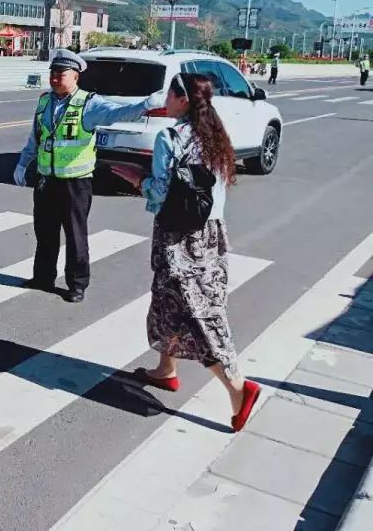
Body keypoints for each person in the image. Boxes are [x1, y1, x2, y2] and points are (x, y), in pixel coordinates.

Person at [111, 73, 261, 432]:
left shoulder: (170, 137)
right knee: (169, 301)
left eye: (170, 94)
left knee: (196, 311)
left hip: (180, 237)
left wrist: (137, 179)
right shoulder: (214, 133)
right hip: (211, 232)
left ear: (181, 99)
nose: (166, 99)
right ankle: (166, 369)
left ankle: (238, 387)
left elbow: (161, 192)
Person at [14, 49, 165, 303]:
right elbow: (35, 138)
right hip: (46, 179)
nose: (54, 78)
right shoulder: (44, 102)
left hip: (75, 182)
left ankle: (77, 284)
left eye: (60, 73)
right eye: (52, 72)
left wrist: (145, 105)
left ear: (75, 77)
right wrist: (22, 163)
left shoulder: (88, 103)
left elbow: (119, 113)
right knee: (45, 232)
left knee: (75, 235)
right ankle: (42, 277)